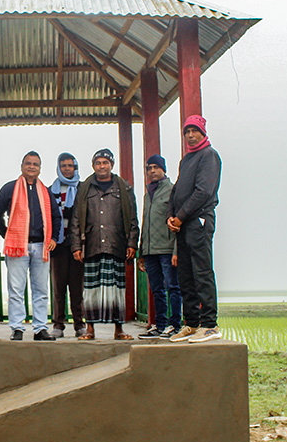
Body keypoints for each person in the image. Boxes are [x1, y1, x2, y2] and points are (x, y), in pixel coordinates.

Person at [69, 149, 139, 340]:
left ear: (111, 165)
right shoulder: (84, 188)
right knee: (90, 290)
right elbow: (76, 219)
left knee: (117, 290)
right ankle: (89, 330)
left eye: (105, 163)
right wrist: (76, 246)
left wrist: (132, 242)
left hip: (116, 244)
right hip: (91, 245)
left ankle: (119, 330)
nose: (102, 166)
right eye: (98, 163)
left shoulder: (124, 188)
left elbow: (133, 218)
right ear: (93, 166)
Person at [167, 115, 223, 343]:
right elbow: (177, 190)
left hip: (199, 221)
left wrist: (180, 217)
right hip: (181, 225)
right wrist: (171, 216)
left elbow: (203, 192)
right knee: (185, 275)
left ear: (202, 132)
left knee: (202, 272)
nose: (190, 135)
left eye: (194, 131)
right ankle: (191, 323)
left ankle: (209, 325)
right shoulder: (186, 159)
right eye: (186, 132)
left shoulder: (209, 156)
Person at [0, 151, 61, 341]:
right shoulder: (10, 188)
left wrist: (54, 238)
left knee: (41, 290)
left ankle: (40, 329)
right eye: (28, 163)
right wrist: (6, 234)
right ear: (22, 166)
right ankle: (17, 328)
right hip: (17, 246)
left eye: (36, 164)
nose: (32, 167)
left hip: (41, 246)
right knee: (16, 290)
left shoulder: (45, 191)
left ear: (40, 169)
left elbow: (56, 216)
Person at [137, 154, 183, 339]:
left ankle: (175, 325)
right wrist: (142, 252)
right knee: (157, 289)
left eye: (156, 167)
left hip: (166, 249)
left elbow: (179, 224)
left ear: (163, 169)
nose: (152, 171)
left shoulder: (172, 191)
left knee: (173, 287)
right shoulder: (148, 194)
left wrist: (176, 250)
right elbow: (145, 223)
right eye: (149, 168)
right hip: (150, 251)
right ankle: (160, 325)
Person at [48, 152, 85, 338]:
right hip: (58, 245)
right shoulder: (51, 190)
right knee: (58, 287)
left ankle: (80, 324)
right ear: (58, 168)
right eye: (63, 166)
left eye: (70, 165)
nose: (67, 169)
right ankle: (58, 325)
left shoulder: (83, 188)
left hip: (78, 244)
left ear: (75, 167)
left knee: (77, 287)